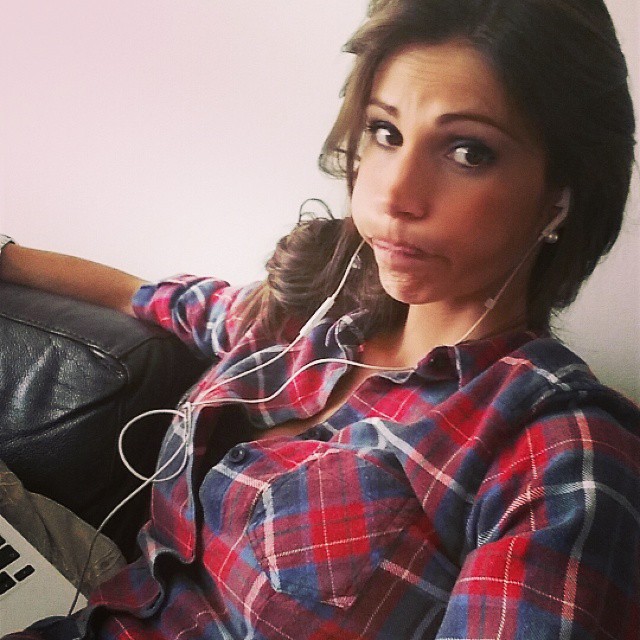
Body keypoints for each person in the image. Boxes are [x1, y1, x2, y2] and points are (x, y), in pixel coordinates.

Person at [1, 0, 639, 637]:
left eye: (468, 151)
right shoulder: (317, 318)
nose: (393, 194)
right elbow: (148, 298)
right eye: (385, 132)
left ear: (560, 197)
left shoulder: (557, 455)